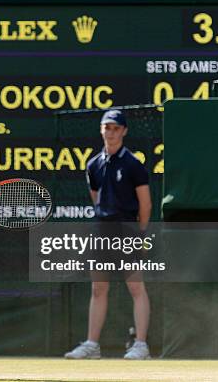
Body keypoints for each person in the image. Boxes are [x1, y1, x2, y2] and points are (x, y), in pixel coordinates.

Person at [64, 109, 152, 360]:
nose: (111, 132)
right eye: (107, 127)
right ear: (102, 130)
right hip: (102, 229)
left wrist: (142, 234)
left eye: (116, 128)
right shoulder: (93, 164)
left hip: (127, 229)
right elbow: (96, 198)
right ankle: (92, 344)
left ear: (123, 131)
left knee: (136, 287)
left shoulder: (134, 164)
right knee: (98, 288)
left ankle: (141, 345)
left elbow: (145, 204)